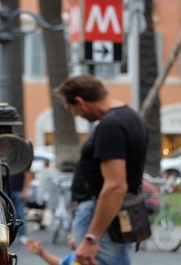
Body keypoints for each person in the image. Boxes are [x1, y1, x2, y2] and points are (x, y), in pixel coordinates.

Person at [54, 75, 148, 265]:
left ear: (80, 101)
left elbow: (115, 185)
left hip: (99, 214)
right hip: (110, 214)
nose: (75, 114)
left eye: (72, 109)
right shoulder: (131, 117)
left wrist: (92, 237)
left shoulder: (110, 126)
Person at [10, 169, 33, 243]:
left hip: (18, 191)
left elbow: (27, 174)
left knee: (20, 214)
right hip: (7, 191)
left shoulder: (19, 159)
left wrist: (25, 190)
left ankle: (22, 234)